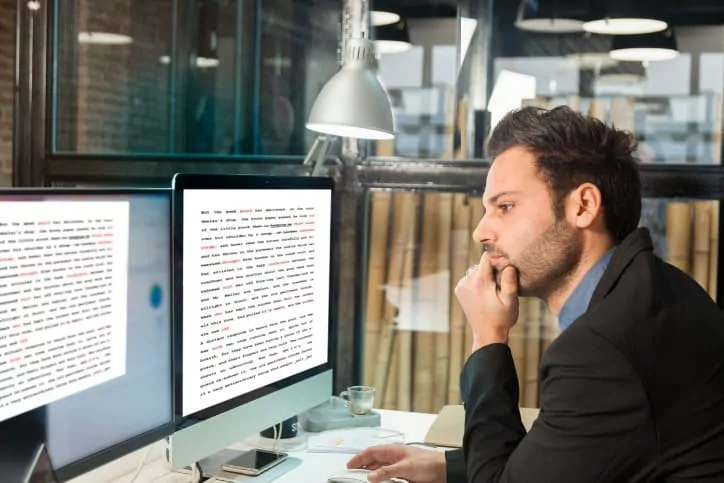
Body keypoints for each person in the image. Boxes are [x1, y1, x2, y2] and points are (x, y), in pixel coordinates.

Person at [347, 106, 724, 482]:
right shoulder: (656, 288)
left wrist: (488, 340)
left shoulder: (603, 349)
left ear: (583, 206)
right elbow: (585, 452)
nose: (481, 232)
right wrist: (449, 466)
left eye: (506, 207)